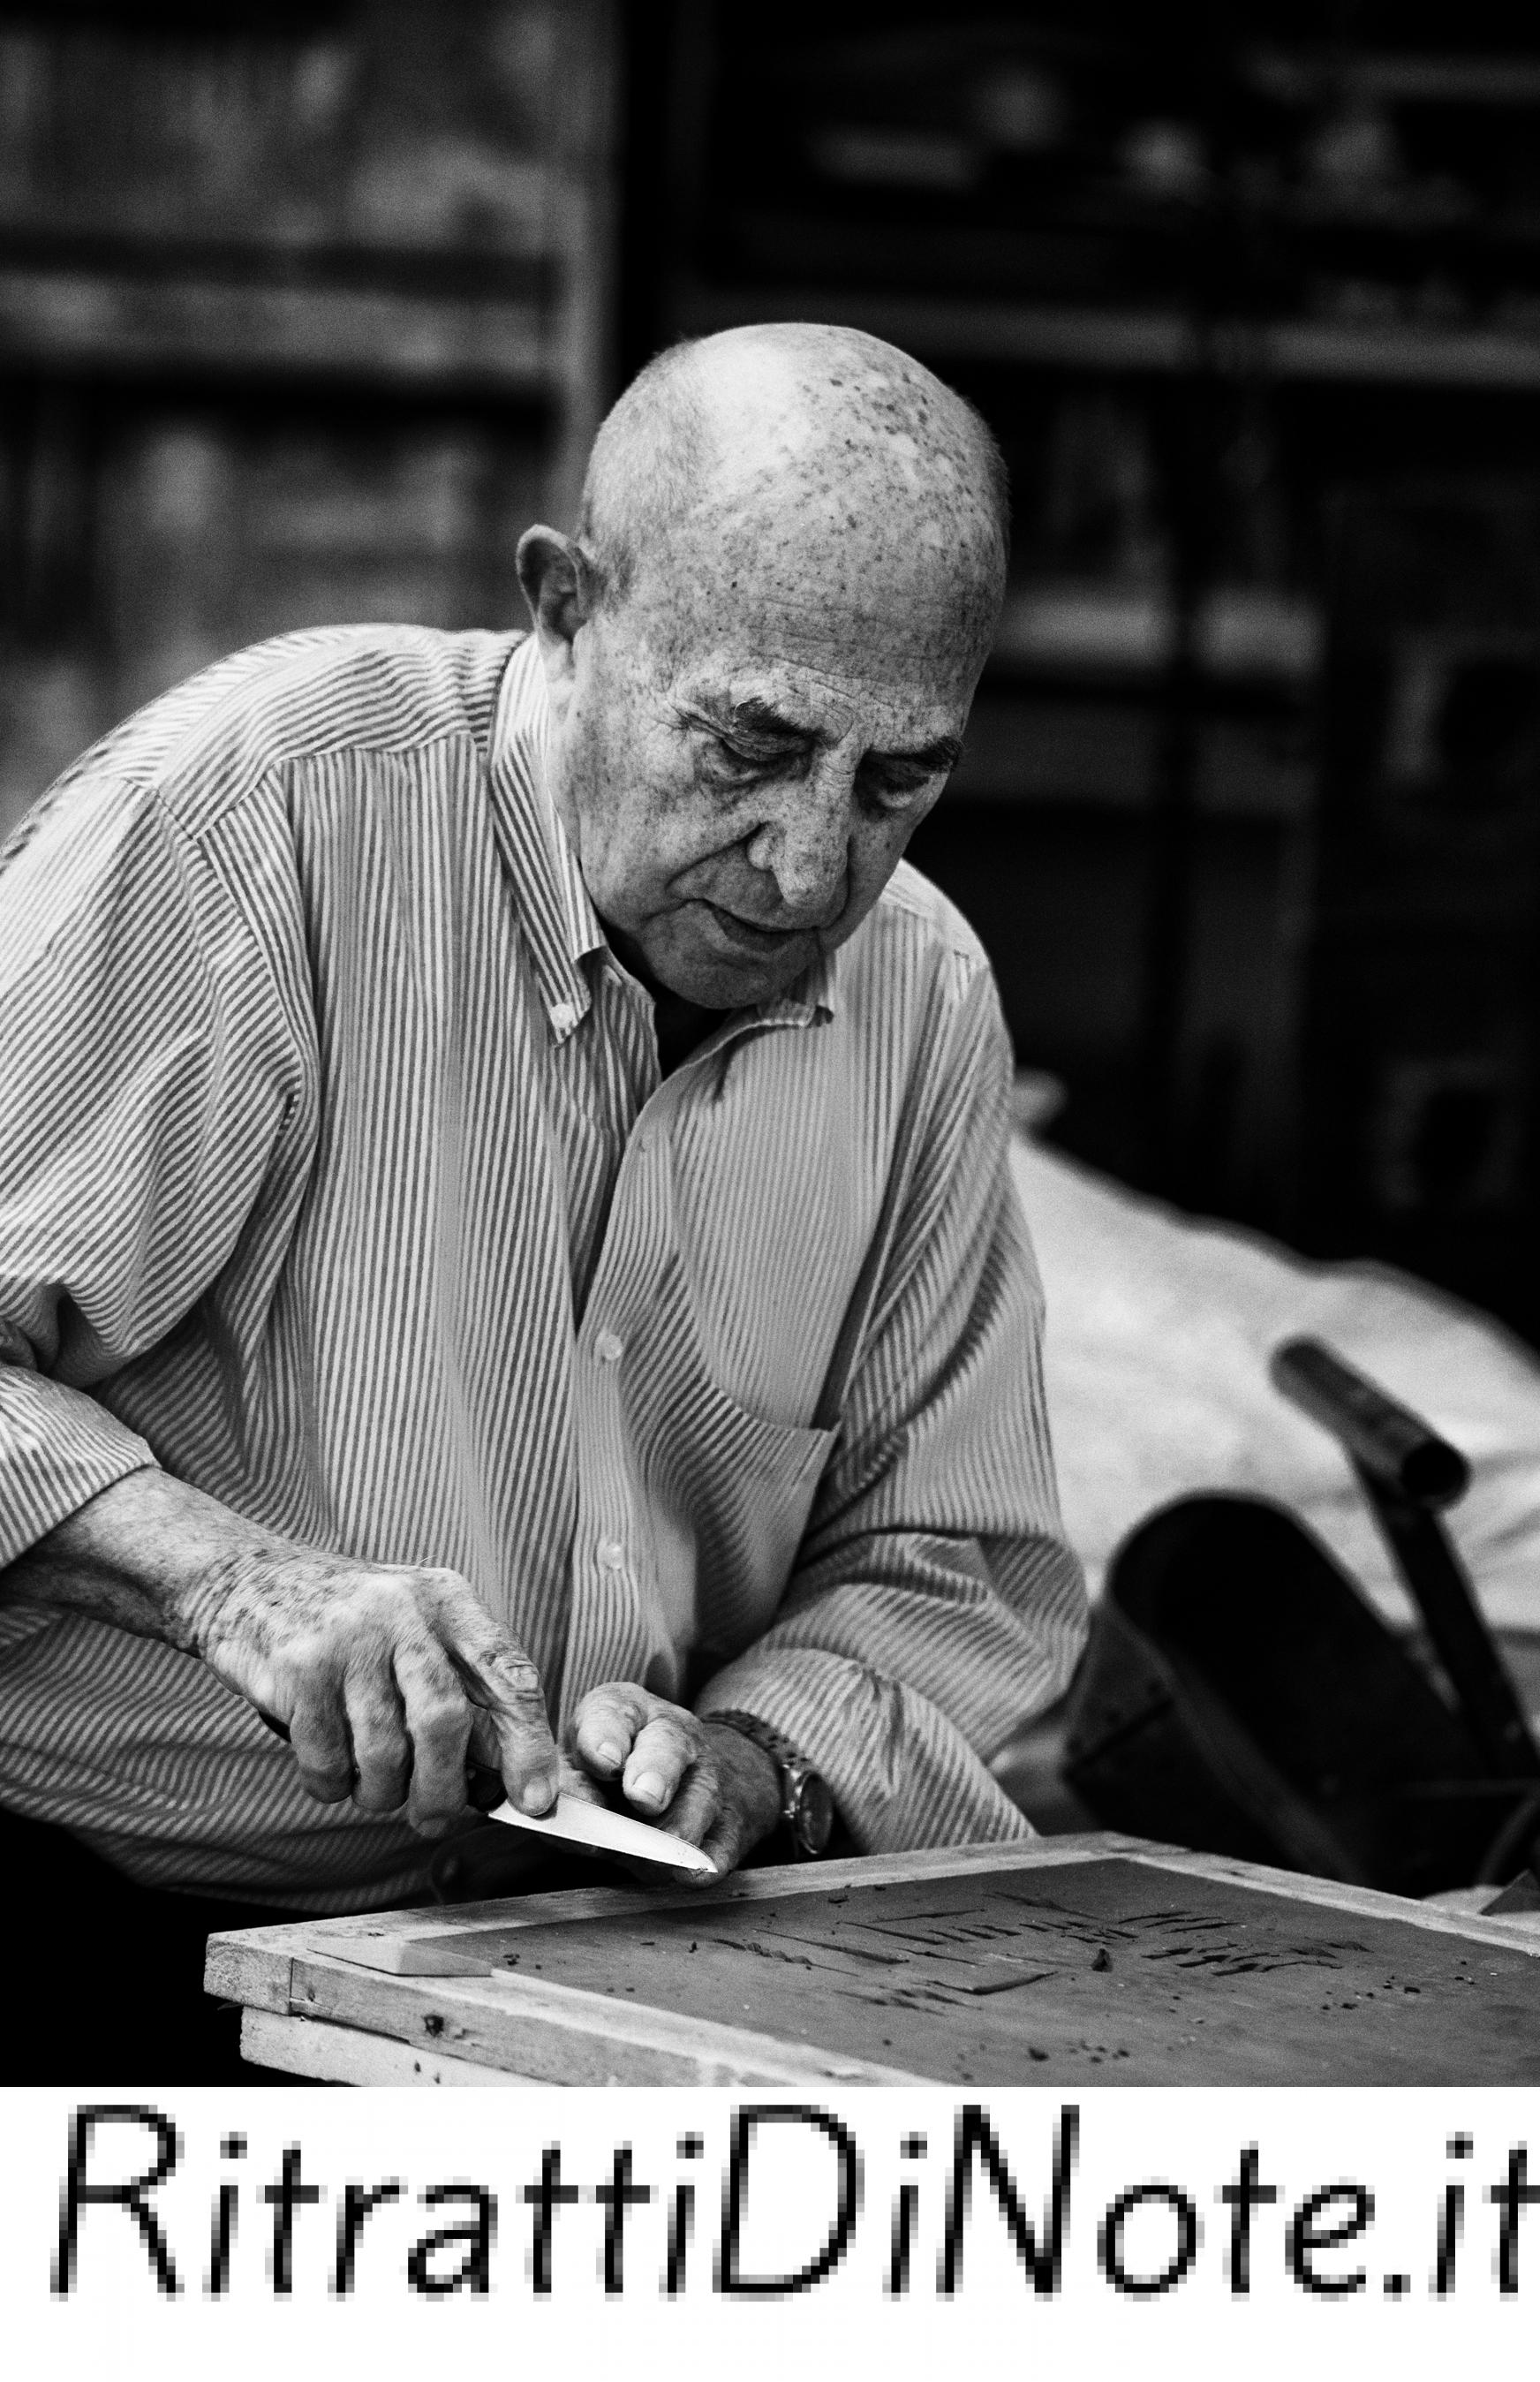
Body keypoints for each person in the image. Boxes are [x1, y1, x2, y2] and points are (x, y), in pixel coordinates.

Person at [0, 324, 1087, 1982]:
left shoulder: (923, 995)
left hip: (577, 1950)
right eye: (752, 747)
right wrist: (227, 1581)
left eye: (899, 780)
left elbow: (952, 1562)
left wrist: (755, 1757)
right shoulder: (259, 819)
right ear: (566, 608)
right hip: (90, 1906)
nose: (809, 870)